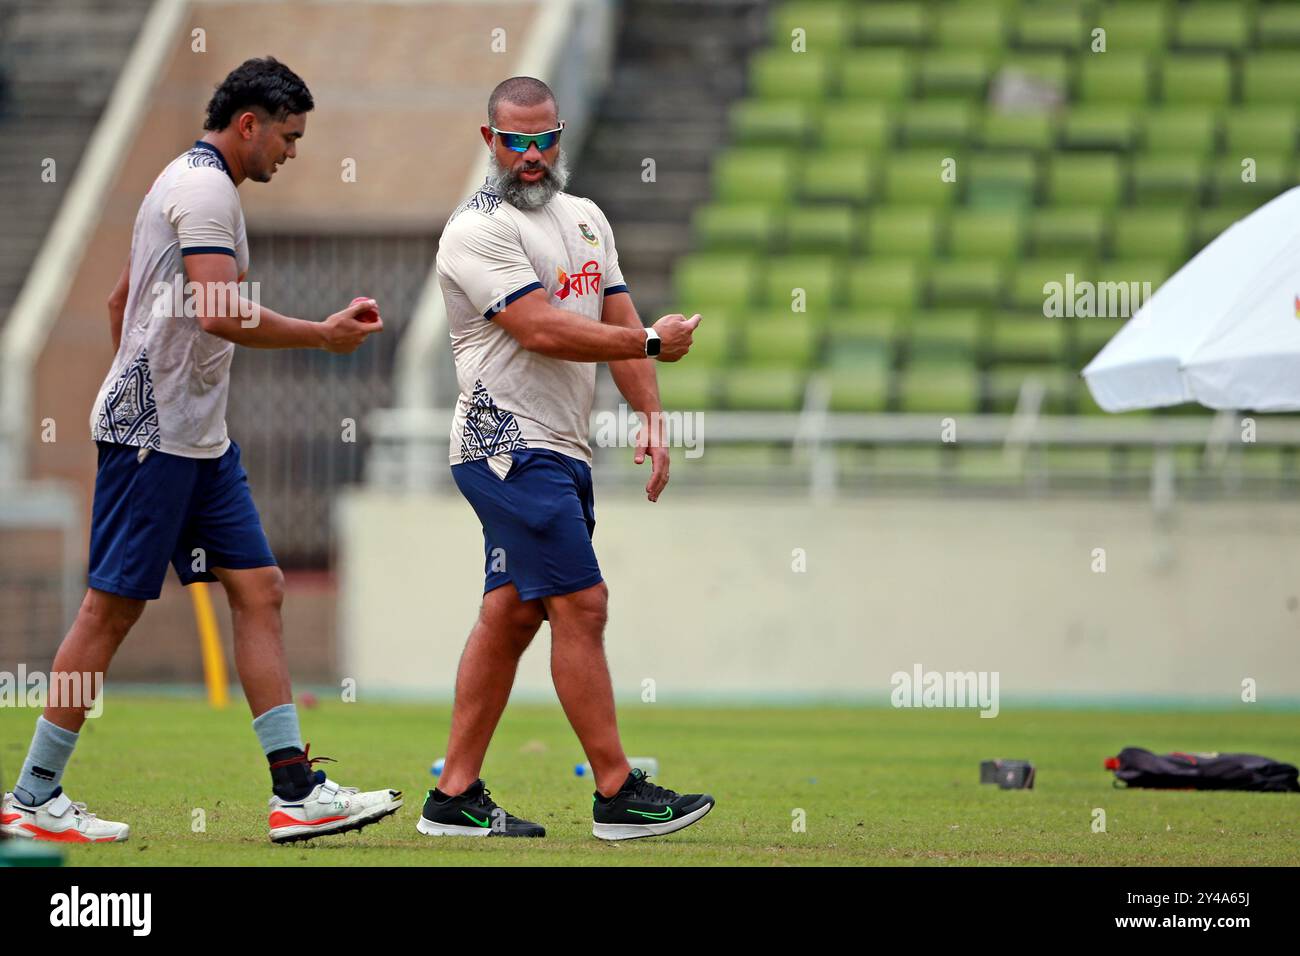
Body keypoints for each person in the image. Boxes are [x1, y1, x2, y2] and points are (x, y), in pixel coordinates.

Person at [1, 57, 399, 845]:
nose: (292, 152)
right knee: (109, 611)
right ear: (248, 124)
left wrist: (145, 384)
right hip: (159, 442)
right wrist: (320, 335)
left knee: (261, 589)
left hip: (199, 442)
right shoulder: (207, 190)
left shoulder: (179, 181)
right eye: (287, 137)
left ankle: (295, 790)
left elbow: (123, 301)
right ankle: (31, 796)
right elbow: (219, 312)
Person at [419, 75, 714, 841]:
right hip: (505, 445)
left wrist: (650, 412)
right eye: (514, 140)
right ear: (489, 141)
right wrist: (649, 343)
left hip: (561, 446)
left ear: (561, 134)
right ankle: (617, 793)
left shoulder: (584, 218)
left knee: (513, 614)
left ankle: (453, 798)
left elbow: (617, 311)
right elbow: (542, 329)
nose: (530, 153)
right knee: (582, 603)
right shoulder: (475, 229)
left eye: (543, 137)